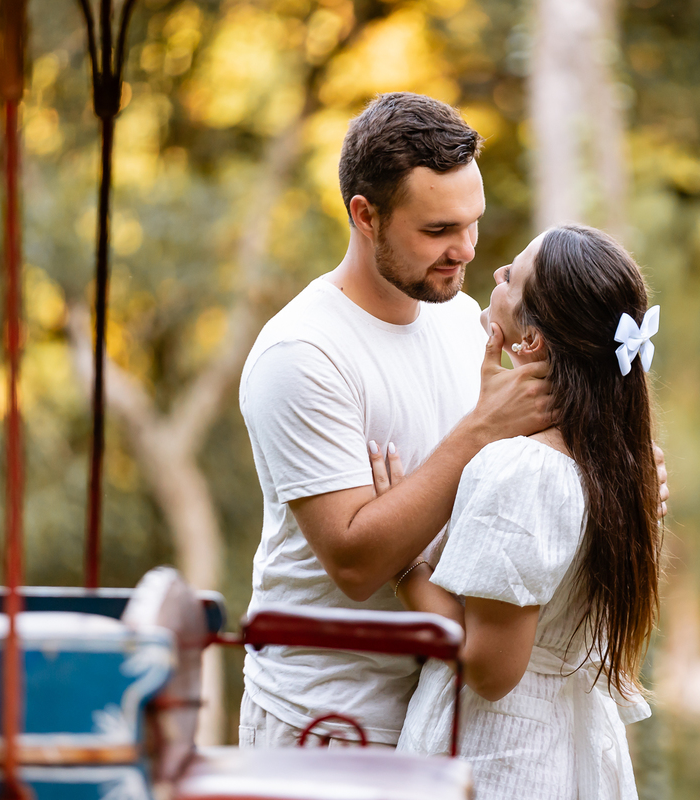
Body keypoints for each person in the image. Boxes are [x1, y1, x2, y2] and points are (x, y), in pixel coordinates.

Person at [236, 92, 555, 748]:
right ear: (365, 215)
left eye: (472, 223)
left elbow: (524, 478)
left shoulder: (461, 322)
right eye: (438, 231)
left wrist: (623, 476)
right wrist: (480, 433)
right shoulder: (302, 352)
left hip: (443, 716)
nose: (465, 250)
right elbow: (354, 564)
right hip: (326, 722)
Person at [382, 225, 662, 799]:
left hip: (500, 760)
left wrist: (404, 566)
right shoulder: (615, 461)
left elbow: (491, 670)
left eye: (511, 276)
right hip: (565, 742)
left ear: (530, 342)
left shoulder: (521, 470)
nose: (495, 276)